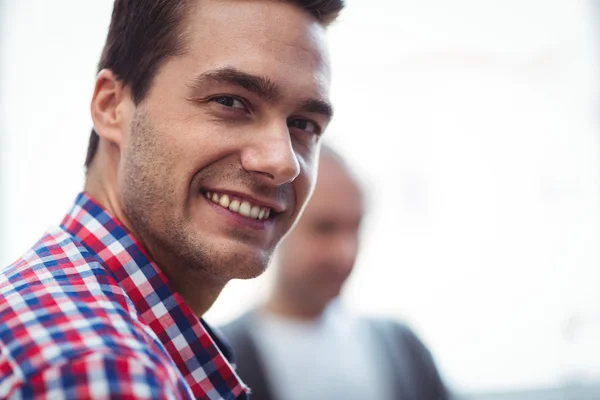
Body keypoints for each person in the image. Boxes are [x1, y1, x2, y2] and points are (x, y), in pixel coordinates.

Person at [0, 0, 343, 398]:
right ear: (111, 107)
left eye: (303, 125)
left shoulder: (61, 312)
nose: (282, 162)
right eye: (230, 102)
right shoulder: (102, 368)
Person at [221, 146, 450, 400]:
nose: (346, 253)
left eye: (356, 227)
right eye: (325, 228)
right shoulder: (220, 359)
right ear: (273, 223)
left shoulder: (403, 346)